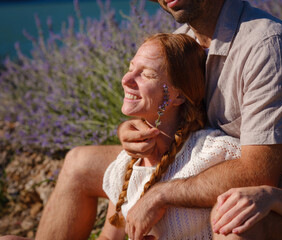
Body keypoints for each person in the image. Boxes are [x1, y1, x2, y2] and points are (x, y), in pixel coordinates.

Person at [2, 0, 282, 239]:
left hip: (278, 196)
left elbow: (257, 172)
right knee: (78, 164)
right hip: (196, 158)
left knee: (231, 216)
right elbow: (166, 107)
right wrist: (129, 129)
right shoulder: (183, 39)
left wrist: (159, 194)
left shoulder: (267, 45)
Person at [100, 32, 243, 239]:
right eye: (131, 68)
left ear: (178, 95)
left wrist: (272, 197)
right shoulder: (123, 167)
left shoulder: (212, 153)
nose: (126, 79)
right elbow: (108, 236)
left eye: (147, 75)